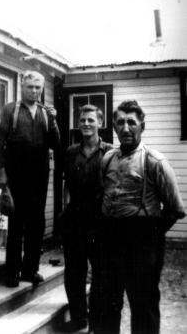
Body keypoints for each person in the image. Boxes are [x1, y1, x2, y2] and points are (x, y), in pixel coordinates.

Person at [96, 100, 186, 334]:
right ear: (114, 128)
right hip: (110, 238)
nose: (125, 128)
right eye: (120, 123)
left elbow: (176, 208)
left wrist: (151, 233)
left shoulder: (155, 161)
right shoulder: (107, 159)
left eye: (131, 123)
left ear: (141, 126)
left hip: (142, 240)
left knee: (143, 303)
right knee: (108, 300)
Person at [0, 70, 60, 287]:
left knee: (37, 222)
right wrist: (2, 170)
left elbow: (55, 143)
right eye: (30, 87)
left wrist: (53, 120)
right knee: (16, 222)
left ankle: (30, 270)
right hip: (16, 171)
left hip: (39, 173)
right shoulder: (11, 109)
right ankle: (11, 271)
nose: (34, 91)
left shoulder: (44, 112)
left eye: (38, 88)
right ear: (22, 86)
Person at [61, 104, 112, 333]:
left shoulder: (110, 152)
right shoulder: (71, 152)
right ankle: (79, 318)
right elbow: (65, 184)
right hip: (75, 218)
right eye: (82, 120)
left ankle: (97, 322)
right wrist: (64, 209)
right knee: (74, 272)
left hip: (100, 220)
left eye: (91, 120)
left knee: (101, 273)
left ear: (100, 123)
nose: (86, 124)